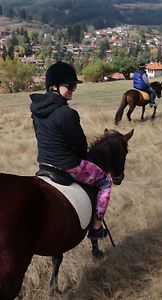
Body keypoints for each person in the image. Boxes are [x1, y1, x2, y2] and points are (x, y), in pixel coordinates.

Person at [30, 61, 111, 240]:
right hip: (68, 166)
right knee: (105, 182)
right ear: (53, 86)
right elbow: (80, 146)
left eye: (74, 86)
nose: (73, 90)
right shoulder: (67, 113)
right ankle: (97, 228)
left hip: (44, 162)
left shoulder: (37, 110)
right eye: (70, 86)